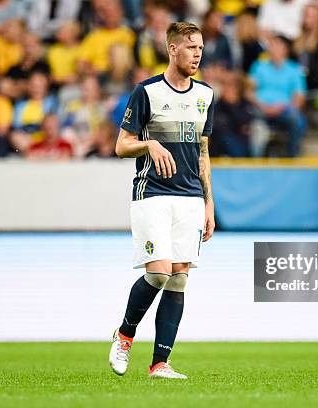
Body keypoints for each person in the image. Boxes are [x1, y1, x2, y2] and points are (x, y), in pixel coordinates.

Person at [109, 22, 215, 380]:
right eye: (190, 47)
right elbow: (121, 145)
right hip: (152, 193)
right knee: (158, 274)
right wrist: (149, 144)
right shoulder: (147, 91)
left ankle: (159, 364)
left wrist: (209, 204)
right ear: (172, 49)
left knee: (179, 279)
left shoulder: (206, 95)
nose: (197, 53)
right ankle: (124, 336)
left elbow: (203, 152)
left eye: (200, 47)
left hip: (190, 198)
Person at [248, 35, 307, 157]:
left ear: (285, 49)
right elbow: (249, 91)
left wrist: (282, 107)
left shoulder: (295, 70)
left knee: (296, 119)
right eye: (271, 45)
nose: (272, 48)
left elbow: (299, 98)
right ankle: (254, 161)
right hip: (260, 109)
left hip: (284, 110)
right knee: (253, 123)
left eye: (276, 45)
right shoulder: (259, 66)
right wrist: (264, 106)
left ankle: (293, 157)